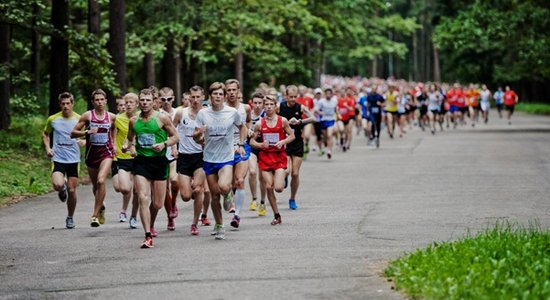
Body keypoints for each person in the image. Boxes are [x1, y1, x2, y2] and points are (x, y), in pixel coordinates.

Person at [123, 88, 179, 249]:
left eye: (148, 100)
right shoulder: (134, 120)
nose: (145, 103)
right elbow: (130, 139)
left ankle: (151, 223)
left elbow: (176, 137)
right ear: (139, 102)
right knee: (142, 197)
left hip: (159, 162)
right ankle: (147, 235)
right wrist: (128, 147)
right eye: (142, 100)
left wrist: (163, 144)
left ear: (154, 102)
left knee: (158, 204)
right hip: (141, 162)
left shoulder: (162, 118)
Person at [193, 82, 247, 240]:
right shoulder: (203, 114)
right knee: (214, 196)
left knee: (224, 186)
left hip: (226, 157)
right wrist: (199, 134)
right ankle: (220, 224)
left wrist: (241, 144)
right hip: (209, 158)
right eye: (215, 94)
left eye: (220, 94)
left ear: (224, 97)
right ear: (210, 97)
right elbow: (196, 138)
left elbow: (242, 127)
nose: (218, 96)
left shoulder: (232, 112)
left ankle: (229, 194)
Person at [71, 89, 116, 227]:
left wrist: (113, 143)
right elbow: (72, 133)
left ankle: (94, 216)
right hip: (91, 155)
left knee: (102, 181)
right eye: (97, 100)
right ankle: (101, 206)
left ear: (106, 101)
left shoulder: (111, 117)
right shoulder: (87, 116)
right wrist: (87, 132)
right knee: (96, 186)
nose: (100, 102)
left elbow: (114, 128)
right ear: (92, 102)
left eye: (102, 99)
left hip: (106, 154)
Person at [250, 95, 295, 225]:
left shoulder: (283, 121)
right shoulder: (259, 123)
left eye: (271, 105)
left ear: (275, 106)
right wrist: (260, 145)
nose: (269, 107)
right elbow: (252, 141)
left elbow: (292, 135)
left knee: (278, 188)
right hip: (265, 158)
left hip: (279, 157)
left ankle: (283, 177)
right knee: (269, 187)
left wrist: (283, 141)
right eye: (267, 105)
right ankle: (277, 215)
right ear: (264, 107)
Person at [43, 92, 85, 229]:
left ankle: (70, 217)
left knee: (72, 191)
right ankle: (62, 188)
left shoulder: (80, 119)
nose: (66, 106)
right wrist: (48, 148)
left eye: (68, 103)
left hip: (73, 159)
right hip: (58, 158)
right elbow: (45, 134)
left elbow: (88, 134)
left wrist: (83, 141)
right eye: (63, 104)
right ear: (60, 104)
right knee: (57, 184)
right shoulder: (53, 119)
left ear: (72, 104)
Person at [172, 86, 208, 235]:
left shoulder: (208, 114)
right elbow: (171, 130)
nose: (195, 100)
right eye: (192, 97)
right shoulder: (182, 113)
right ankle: (192, 192)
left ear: (203, 97)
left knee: (199, 189)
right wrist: (173, 147)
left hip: (201, 156)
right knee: (186, 196)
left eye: (198, 97)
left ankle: (194, 223)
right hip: (184, 156)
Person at [278, 85, 315, 210]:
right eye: (291, 97)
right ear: (286, 96)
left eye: (295, 96)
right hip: (285, 141)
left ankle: (292, 198)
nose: (293, 99)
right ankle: (284, 178)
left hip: (297, 142)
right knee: (286, 171)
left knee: (295, 173)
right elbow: (269, 117)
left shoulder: (300, 107)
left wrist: (300, 122)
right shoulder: (280, 107)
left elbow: (313, 118)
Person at [224, 79, 252, 228]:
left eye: (234, 90)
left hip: (242, 147)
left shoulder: (245, 108)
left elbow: (248, 122)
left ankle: (237, 215)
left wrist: (248, 131)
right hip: (224, 149)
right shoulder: (221, 108)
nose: (231, 93)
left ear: (238, 91)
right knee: (227, 184)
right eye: (228, 90)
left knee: (239, 180)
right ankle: (228, 195)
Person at [112, 92, 140, 228]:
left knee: (137, 191)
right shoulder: (118, 119)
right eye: (126, 102)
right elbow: (112, 132)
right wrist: (114, 145)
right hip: (122, 157)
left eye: (131, 102)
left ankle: (133, 216)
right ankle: (125, 209)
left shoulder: (142, 118)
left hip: (138, 157)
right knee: (124, 188)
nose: (128, 105)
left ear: (137, 104)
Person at [159, 87, 180, 231]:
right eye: (163, 99)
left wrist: (175, 147)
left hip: (174, 152)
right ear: (159, 100)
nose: (166, 102)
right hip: (160, 153)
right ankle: (169, 217)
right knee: (165, 187)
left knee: (174, 180)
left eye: (169, 99)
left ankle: (173, 204)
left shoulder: (178, 113)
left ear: (173, 99)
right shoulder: (157, 115)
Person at [248, 91, 267, 215]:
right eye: (255, 103)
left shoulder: (268, 114)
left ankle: (263, 202)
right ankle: (254, 199)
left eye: (260, 103)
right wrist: (247, 130)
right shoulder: (247, 114)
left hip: (265, 147)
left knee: (262, 177)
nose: (257, 105)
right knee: (252, 171)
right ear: (252, 103)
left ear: (263, 104)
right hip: (252, 145)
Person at [314, 88, 338, 159]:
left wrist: (337, 114)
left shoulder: (334, 101)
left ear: (331, 94)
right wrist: (320, 112)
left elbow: (336, 110)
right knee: (325, 137)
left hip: (331, 120)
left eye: (329, 94)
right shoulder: (321, 101)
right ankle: (326, 144)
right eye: (327, 94)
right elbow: (315, 109)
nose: (328, 95)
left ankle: (329, 151)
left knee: (329, 135)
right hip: (323, 120)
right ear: (325, 94)